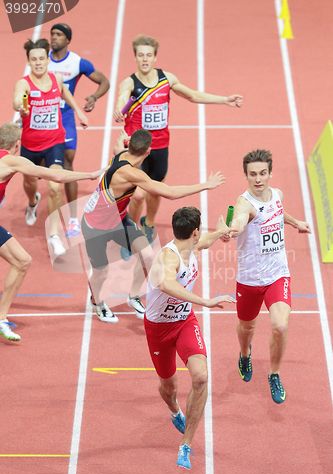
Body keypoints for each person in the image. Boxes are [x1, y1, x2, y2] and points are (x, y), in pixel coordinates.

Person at [113, 34, 243, 257]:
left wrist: (224, 100)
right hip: (136, 149)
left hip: (160, 145)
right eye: (140, 55)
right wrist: (118, 109)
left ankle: (149, 223)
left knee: (156, 191)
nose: (145, 59)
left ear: (155, 58)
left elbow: (192, 95)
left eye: (149, 55)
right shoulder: (129, 83)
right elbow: (122, 98)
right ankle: (130, 233)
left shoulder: (166, 79)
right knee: (138, 195)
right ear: (135, 57)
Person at [81, 129, 225, 323]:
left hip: (118, 220)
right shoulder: (130, 173)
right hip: (95, 227)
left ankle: (133, 297)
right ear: (148, 151)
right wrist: (206, 185)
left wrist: (124, 138)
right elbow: (170, 192)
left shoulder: (121, 153)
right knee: (101, 271)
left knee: (148, 256)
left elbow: (118, 144)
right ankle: (97, 302)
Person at [144, 206, 235, 470]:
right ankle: (174, 410)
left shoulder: (191, 245)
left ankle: (186, 444)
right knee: (168, 387)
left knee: (201, 376)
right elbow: (166, 284)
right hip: (159, 329)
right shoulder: (168, 258)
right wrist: (204, 301)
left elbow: (204, 242)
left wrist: (220, 231)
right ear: (193, 232)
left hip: (184, 322)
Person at [0, 122, 102, 341]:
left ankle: (1, 319)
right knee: (21, 261)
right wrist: (91, 175)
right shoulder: (11, 160)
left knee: (22, 261)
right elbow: (55, 176)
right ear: (17, 144)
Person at [224, 149, 311, 404]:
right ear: (246, 176)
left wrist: (296, 223)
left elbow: (277, 212)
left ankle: (273, 373)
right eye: (253, 174)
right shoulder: (244, 204)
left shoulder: (278, 194)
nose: (258, 179)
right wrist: (234, 228)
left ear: (270, 173)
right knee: (247, 327)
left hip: (277, 274)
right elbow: (240, 220)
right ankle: (244, 354)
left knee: (280, 325)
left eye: (262, 173)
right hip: (250, 279)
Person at [13, 38, 89, 258]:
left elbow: (66, 93)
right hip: (30, 146)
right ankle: (32, 202)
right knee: (29, 183)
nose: (38, 63)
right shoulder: (24, 83)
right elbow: (18, 100)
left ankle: (54, 235)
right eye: (33, 59)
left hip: (54, 142)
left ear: (47, 60)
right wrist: (21, 105)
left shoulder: (56, 79)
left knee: (55, 186)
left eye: (41, 58)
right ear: (29, 61)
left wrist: (79, 113)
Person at [49, 23, 110, 237]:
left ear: (67, 40)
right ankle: (34, 200)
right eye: (52, 34)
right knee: (38, 164)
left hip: (65, 117)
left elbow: (104, 81)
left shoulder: (77, 63)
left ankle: (73, 219)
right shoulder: (41, 59)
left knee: (68, 160)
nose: (53, 38)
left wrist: (94, 97)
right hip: (42, 117)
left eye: (58, 35)